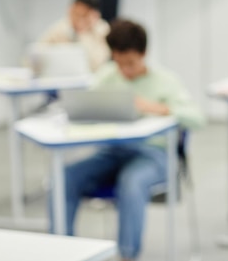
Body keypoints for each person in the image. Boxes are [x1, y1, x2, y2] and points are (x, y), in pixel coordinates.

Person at [53, 19, 206, 261]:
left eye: (131, 64)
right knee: (63, 177)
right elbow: (85, 105)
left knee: (131, 181)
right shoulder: (106, 76)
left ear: (144, 54)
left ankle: (127, 255)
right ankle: (63, 251)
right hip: (112, 152)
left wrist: (159, 108)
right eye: (119, 63)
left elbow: (197, 118)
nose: (125, 71)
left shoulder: (166, 80)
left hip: (154, 155)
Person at [38, 0, 110, 72]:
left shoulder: (102, 30)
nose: (77, 19)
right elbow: (38, 52)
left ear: (94, 15)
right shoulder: (60, 27)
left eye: (82, 15)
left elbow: (97, 64)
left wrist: (83, 34)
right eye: (74, 13)